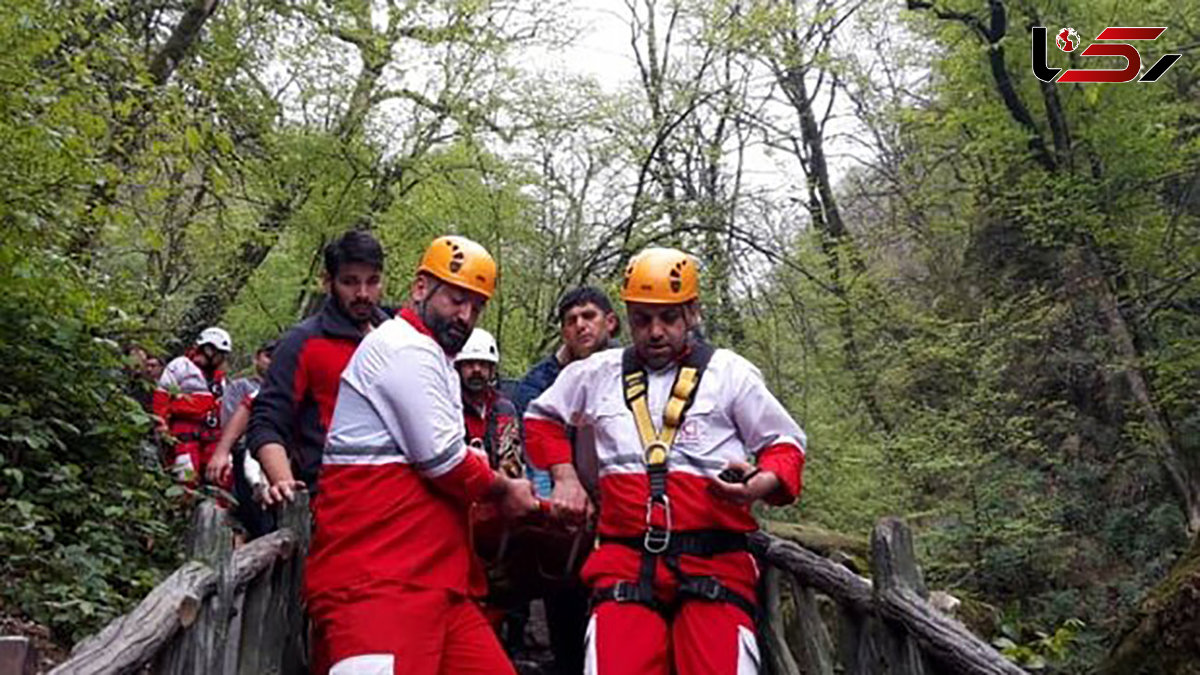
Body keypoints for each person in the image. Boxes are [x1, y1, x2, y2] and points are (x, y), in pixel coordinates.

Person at [524, 247, 807, 674]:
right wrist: (565, 477)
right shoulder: (596, 372)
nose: (655, 332)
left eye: (668, 318)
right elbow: (540, 417)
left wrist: (762, 481)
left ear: (692, 312)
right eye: (642, 319)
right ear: (626, 316)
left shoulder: (729, 374)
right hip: (624, 563)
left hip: (713, 563)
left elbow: (785, 442)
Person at [281, 235, 540, 675]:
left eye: (476, 307)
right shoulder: (404, 348)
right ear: (421, 288)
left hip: (430, 581)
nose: (465, 316)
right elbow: (443, 460)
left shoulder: (433, 356)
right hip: (377, 584)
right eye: (457, 299)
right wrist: (505, 490)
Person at [512, 285, 620, 674]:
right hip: (565, 509)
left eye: (589, 317)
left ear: (610, 322)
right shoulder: (539, 383)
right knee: (565, 606)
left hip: (624, 512)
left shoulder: (633, 370)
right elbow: (530, 444)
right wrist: (557, 495)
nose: (581, 327)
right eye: (571, 321)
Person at [247, 230, 389, 503]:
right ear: (328, 282)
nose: (363, 293)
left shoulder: (397, 335)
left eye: (372, 282)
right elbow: (266, 421)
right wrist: (284, 482)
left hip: (397, 498)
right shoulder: (302, 342)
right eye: (349, 282)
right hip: (330, 499)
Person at [207, 339, 278, 539]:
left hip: (279, 454)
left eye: (276, 358)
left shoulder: (286, 387)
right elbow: (229, 420)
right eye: (268, 356)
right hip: (245, 451)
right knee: (251, 511)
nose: (271, 362)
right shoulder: (240, 387)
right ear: (257, 357)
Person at [153, 327, 233, 488]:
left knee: (223, 473)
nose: (222, 359)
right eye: (220, 354)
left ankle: (218, 510)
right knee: (185, 475)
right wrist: (161, 425)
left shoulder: (219, 378)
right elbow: (161, 397)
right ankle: (182, 510)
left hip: (212, 434)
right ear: (209, 350)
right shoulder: (180, 366)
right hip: (184, 431)